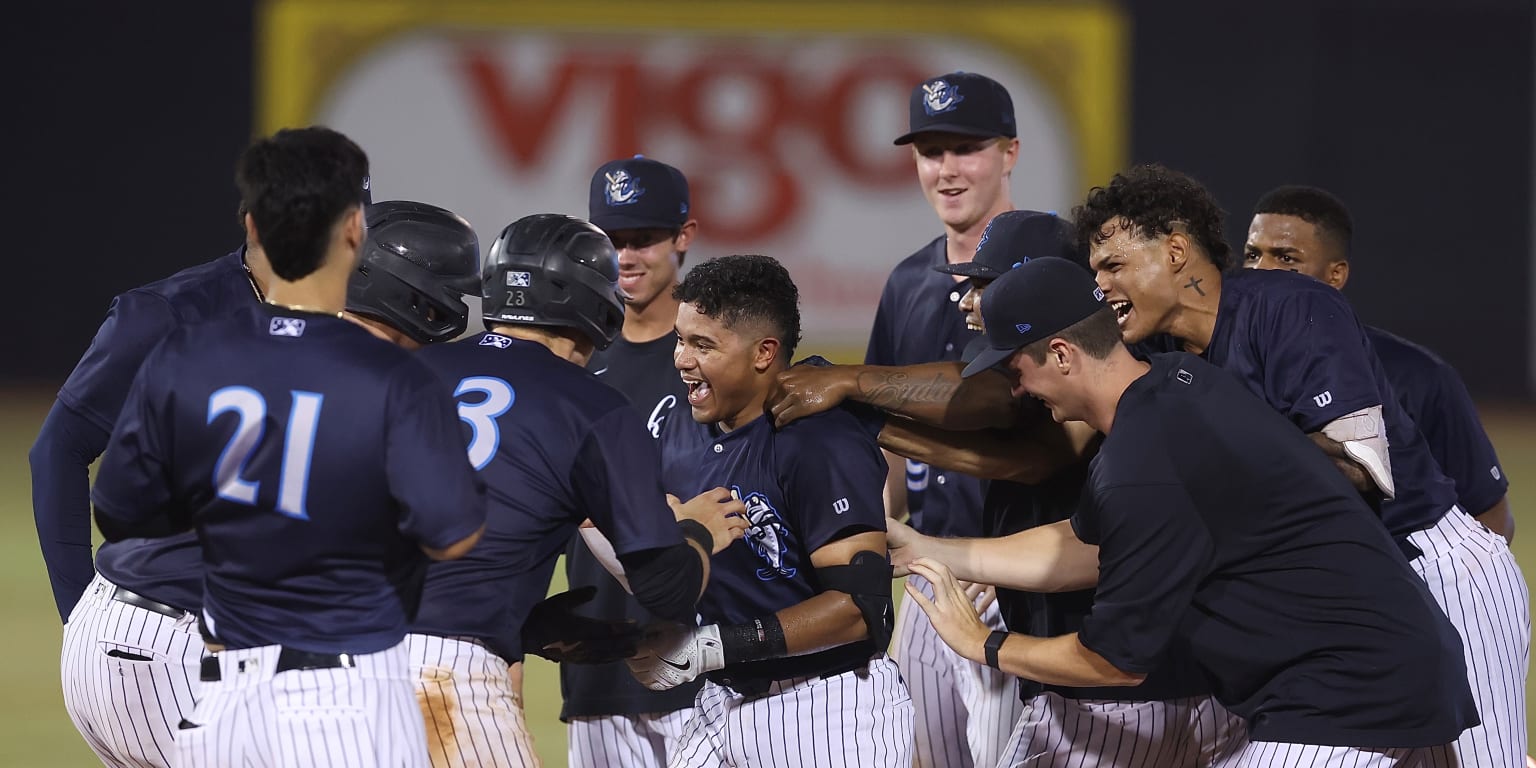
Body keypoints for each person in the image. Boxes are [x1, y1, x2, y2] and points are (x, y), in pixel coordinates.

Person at [895, 256, 1477, 765]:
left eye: (1014, 368)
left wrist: (984, 645)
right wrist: (930, 548)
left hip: (1348, 694)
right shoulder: (1178, 384)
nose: (1016, 390)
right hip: (1392, 671)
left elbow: (1113, 661)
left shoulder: (1142, 459)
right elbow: (1090, 548)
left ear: (1062, 354)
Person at [1077, 164, 1528, 767]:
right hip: (1341, 600)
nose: (1101, 286)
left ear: (1177, 251)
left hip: (1433, 565)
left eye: (1113, 266)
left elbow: (1362, 469)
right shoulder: (1156, 351)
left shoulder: (1291, 307)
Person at [90, 127, 487, 767]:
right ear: (357, 231)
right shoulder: (393, 379)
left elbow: (118, 513)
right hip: (347, 695)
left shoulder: (187, 356)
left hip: (219, 702)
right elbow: (453, 534)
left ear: (253, 225)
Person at [407, 213, 747, 768]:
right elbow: (665, 588)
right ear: (597, 304)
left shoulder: (407, 370)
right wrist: (697, 533)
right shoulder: (591, 406)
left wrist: (522, 623)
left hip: (328, 660)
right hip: (448, 674)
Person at [629, 254, 912, 766]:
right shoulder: (677, 427)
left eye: (702, 344)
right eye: (680, 338)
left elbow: (862, 608)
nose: (680, 358)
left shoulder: (818, 438)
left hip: (826, 711)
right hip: (720, 702)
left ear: (764, 353)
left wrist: (712, 646)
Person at [870, 70, 1024, 767]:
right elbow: (886, 444)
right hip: (929, 571)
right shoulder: (908, 281)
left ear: (1009, 153)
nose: (947, 169)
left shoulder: (1048, 268)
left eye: (966, 148)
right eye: (932, 151)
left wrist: (1019, 561)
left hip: (1024, 578)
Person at [1243, 184, 1514, 541]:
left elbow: (1490, 515)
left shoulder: (1418, 377)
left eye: (1286, 258)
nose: (1261, 271)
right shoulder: (1214, 366)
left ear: (1335, 275)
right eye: (1251, 255)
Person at [561, 156, 702, 768]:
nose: (626, 256)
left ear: (684, 237)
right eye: (611, 240)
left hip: (704, 660)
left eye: (643, 238)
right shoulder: (576, 359)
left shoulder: (712, 355)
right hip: (597, 659)